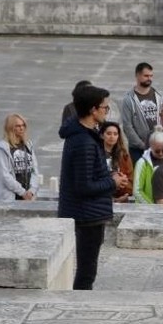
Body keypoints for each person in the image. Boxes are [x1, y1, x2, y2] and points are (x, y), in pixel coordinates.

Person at [58, 85, 129, 290]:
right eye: (105, 108)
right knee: (86, 273)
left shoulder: (85, 134)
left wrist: (110, 176)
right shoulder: (83, 142)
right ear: (92, 110)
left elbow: (89, 174)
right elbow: (83, 186)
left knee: (87, 270)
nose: (106, 112)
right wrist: (112, 182)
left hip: (90, 212)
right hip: (87, 215)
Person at [122, 62, 163, 164]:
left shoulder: (159, 96)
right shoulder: (129, 99)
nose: (149, 78)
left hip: (158, 146)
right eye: (146, 76)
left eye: (151, 76)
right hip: (137, 149)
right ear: (137, 76)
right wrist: (142, 145)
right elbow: (127, 126)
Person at [0, 114, 41, 201]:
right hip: (9, 198)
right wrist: (22, 192)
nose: (22, 128)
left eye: (23, 125)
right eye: (18, 126)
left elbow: (34, 170)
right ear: (10, 128)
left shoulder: (28, 145)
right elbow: (5, 176)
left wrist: (32, 191)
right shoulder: (2, 149)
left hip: (28, 197)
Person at [99, 121, 133, 203]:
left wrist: (124, 183)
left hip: (121, 197)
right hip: (101, 197)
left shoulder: (124, 155)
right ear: (102, 135)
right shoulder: (96, 154)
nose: (112, 137)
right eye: (109, 133)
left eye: (115, 134)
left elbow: (130, 178)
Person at [133, 126, 163, 204]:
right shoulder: (142, 163)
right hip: (147, 209)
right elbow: (137, 191)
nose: (161, 153)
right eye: (157, 151)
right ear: (150, 147)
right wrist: (153, 207)